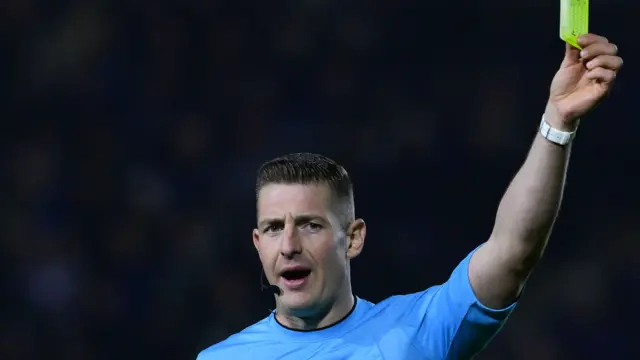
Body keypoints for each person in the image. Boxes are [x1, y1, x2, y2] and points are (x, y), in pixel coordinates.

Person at [197, 33, 623, 359]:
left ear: (354, 237)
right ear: (257, 244)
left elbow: (514, 250)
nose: (289, 245)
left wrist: (557, 121)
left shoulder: (415, 332)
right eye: (274, 228)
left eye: (310, 224)